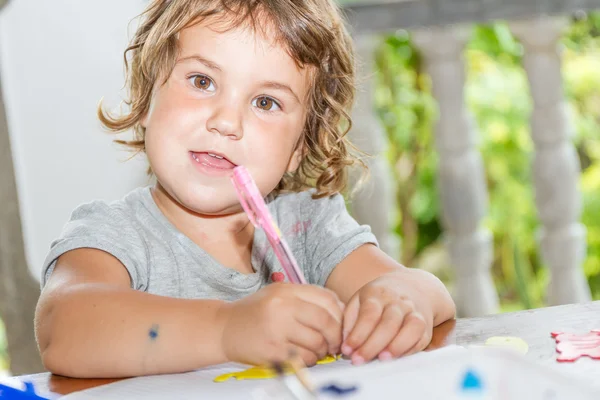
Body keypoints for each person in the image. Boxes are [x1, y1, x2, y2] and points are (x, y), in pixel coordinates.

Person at [35, 0, 455, 379]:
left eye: (266, 102)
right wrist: (227, 329)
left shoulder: (309, 224)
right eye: (201, 81)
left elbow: (428, 294)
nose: (226, 121)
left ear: (298, 147)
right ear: (147, 98)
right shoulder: (113, 236)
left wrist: (402, 298)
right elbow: (62, 328)